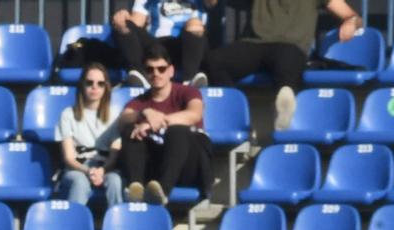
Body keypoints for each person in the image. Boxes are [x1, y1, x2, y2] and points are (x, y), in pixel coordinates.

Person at [203, 0, 311, 132]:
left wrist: (345, 20)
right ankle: (235, 113)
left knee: (287, 63)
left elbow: (341, 9)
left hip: (290, 45)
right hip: (254, 43)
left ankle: (284, 106)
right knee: (215, 60)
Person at [113, 53, 207, 207]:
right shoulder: (141, 101)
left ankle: (162, 192)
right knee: (131, 130)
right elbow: (122, 120)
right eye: (150, 69)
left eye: (161, 69)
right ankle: (135, 188)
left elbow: (194, 114)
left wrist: (154, 123)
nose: (156, 73)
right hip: (157, 167)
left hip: (188, 166)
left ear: (171, 71)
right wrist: (144, 113)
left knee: (178, 131)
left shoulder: (188, 92)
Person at [57, 63, 123, 208]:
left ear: (106, 88)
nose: (95, 87)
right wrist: (88, 170)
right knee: (80, 182)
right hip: (78, 168)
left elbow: (114, 153)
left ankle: (119, 225)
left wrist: (102, 170)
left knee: (115, 181)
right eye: (89, 83)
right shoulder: (68, 114)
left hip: (105, 166)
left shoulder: (115, 114)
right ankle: (74, 225)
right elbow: (69, 158)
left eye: (100, 84)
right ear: (82, 85)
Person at [112, 0, 208, 87]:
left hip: (186, 47)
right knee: (123, 23)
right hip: (156, 44)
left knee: (194, 24)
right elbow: (136, 25)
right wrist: (124, 19)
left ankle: (189, 80)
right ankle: (140, 75)